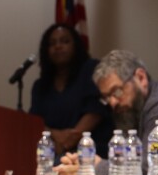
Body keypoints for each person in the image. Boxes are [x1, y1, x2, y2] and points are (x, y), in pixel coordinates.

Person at [92, 49, 158, 175]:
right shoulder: (130, 109)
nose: (112, 102)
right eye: (106, 97)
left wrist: (96, 167)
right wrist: (83, 162)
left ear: (141, 78)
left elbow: (148, 168)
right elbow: (126, 159)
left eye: (117, 91)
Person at [29, 23, 113, 160]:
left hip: (92, 152)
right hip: (53, 153)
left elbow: (97, 108)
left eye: (65, 41)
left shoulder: (91, 70)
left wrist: (73, 137)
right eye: (52, 43)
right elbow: (35, 122)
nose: (58, 46)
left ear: (76, 45)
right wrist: (55, 135)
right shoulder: (40, 86)